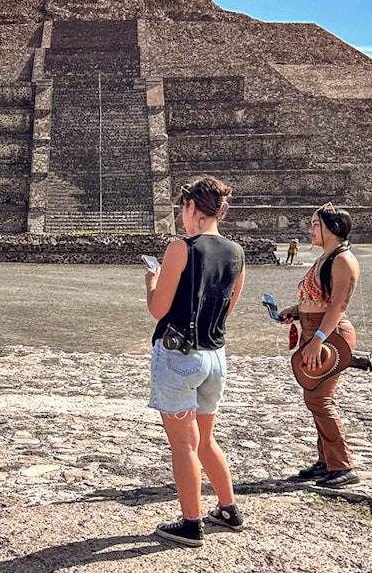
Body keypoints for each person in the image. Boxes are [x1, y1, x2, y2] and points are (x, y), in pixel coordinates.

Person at [143, 175, 247, 546]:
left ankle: (191, 522)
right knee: (206, 439)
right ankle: (229, 508)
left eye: (181, 209)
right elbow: (228, 308)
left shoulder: (180, 248)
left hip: (179, 356)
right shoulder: (237, 252)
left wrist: (151, 282)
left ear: (191, 207)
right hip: (215, 355)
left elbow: (159, 309)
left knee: (184, 445)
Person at [277, 203, 362, 488]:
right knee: (315, 397)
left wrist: (319, 340)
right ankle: (326, 460)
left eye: (316, 225)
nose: (310, 229)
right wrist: (295, 311)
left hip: (329, 334)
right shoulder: (325, 258)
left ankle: (342, 464)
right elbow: (319, 300)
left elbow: (338, 306)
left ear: (333, 229)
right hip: (315, 331)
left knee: (320, 399)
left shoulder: (343, 260)